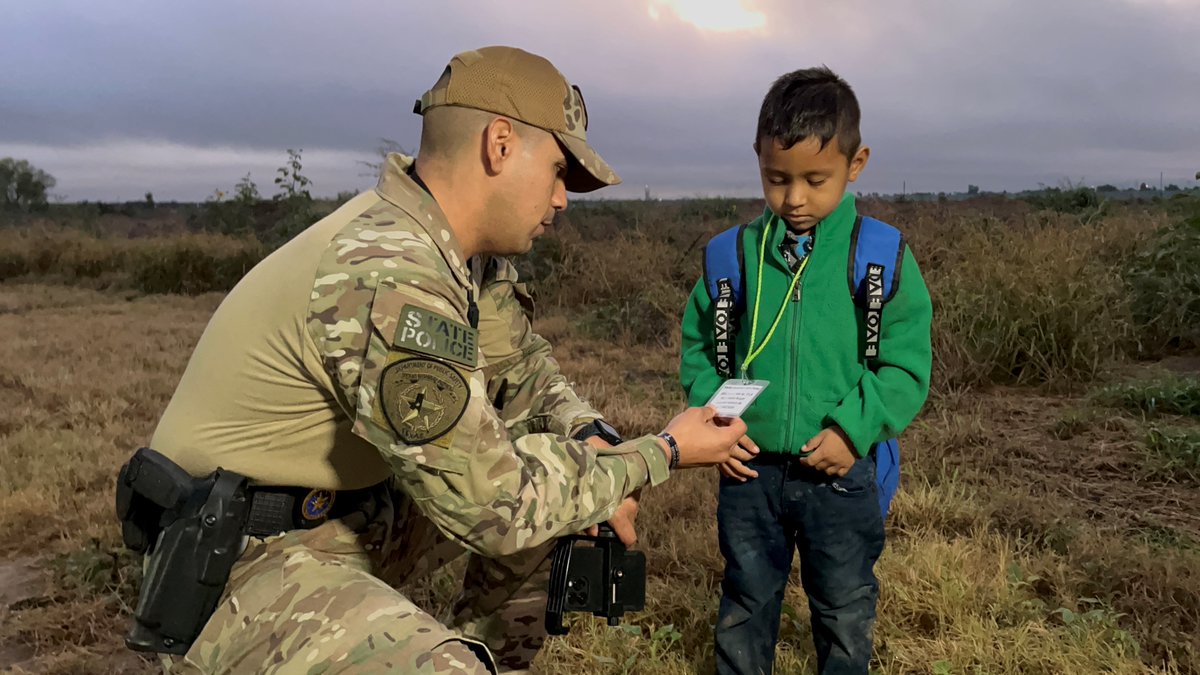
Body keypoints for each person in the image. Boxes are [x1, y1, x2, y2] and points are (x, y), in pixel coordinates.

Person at [128, 45, 751, 674]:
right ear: (500, 145)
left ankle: (484, 657)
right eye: (559, 171)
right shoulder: (391, 270)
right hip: (236, 561)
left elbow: (524, 373)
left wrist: (594, 438)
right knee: (531, 515)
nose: (563, 199)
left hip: (348, 520)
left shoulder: (460, 255)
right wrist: (657, 454)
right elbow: (494, 504)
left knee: (567, 500)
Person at [678, 67, 933, 674]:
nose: (794, 199)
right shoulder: (730, 255)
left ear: (856, 163)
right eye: (777, 179)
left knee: (844, 608)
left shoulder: (881, 257)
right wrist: (719, 422)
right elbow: (701, 349)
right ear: (759, 161)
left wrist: (853, 430)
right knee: (745, 599)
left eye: (816, 180)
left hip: (841, 475)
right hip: (748, 472)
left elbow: (904, 364)